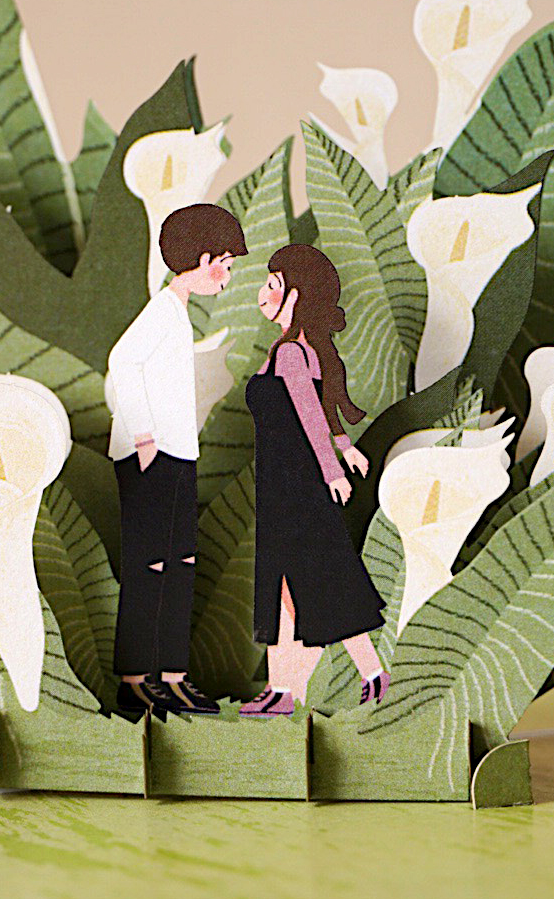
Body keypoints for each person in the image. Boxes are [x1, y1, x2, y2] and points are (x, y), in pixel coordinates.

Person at [107, 203, 247, 716]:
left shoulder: (177, 314)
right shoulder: (162, 311)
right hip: (153, 456)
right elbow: (121, 362)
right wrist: (144, 436)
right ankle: (135, 680)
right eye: (225, 265)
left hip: (177, 454)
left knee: (180, 563)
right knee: (150, 564)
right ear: (204, 259)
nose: (226, 277)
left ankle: (171, 675)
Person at [240, 243, 388, 717]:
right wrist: (345, 447)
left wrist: (333, 470)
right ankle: (284, 688)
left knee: (314, 582)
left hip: (295, 487)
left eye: (272, 285)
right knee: (294, 586)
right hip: (284, 485)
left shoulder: (290, 353)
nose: (262, 294)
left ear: (296, 295)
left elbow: (309, 416)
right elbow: (322, 410)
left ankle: (361, 676)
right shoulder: (300, 350)